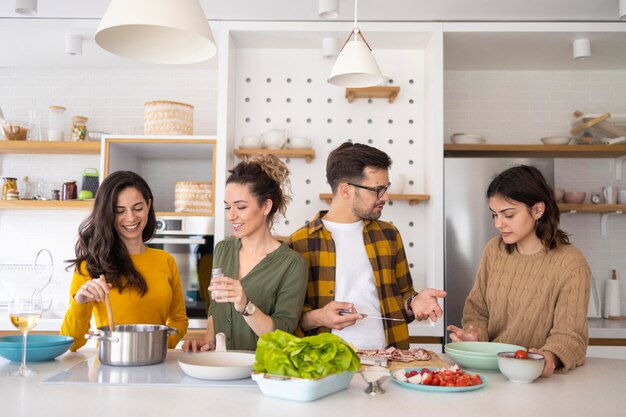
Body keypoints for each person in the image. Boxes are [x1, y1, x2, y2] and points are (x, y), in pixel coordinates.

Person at [288, 142, 446, 350]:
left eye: (386, 188)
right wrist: (319, 317)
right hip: (324, 363)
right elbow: (288, 318)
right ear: (346, 190)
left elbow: (403, 294)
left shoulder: (389, 234)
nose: (385, 197)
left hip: (388, 358)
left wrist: (414, 303)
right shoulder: (299, 243)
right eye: (378, 190)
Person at [447, 165, 591, 376]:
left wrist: (548, 358)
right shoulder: (493, 251)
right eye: (494, 215)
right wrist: (475, 335)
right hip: (490, 372)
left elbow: (570, 336)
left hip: (536, 379)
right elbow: (477, 310)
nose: (499, 224)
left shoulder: (571, 263)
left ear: (537, 210)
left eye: (508, 215)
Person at [183, 154, 308, 352]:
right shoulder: (223, 249)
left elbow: (282, 333)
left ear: (266, 206)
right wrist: (209, 342)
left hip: (263, 372)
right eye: (227, 207)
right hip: (222, 367)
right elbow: (215, 307)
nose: (231, 216)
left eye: (240, 207)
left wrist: (245, 305)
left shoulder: (292, 264)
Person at [60, 170, 188, 351]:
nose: (130, 218)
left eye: (138, 208)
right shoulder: (90, 266)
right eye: (119, 211)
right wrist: (80, 301)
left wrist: (153, 347)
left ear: (148, 205)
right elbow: (71, 342)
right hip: (109, 369)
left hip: (157, 366)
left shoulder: (165, 261)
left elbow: (178, 320)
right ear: (107, 214)